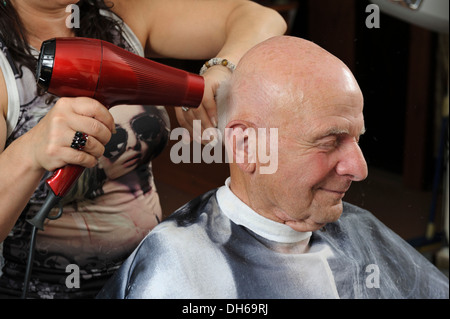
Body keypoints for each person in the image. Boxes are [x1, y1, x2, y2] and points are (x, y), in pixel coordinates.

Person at [97, 36, 449, 299]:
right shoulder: (178, 265)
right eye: (330, 141)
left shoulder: (360, 229)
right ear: (247, 146)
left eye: (357, 139)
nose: (359, 169)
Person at [0, 0, 287, 298]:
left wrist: (223, 69)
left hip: (150, 279)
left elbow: (262, 18)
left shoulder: (121, 16)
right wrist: (31, 152)